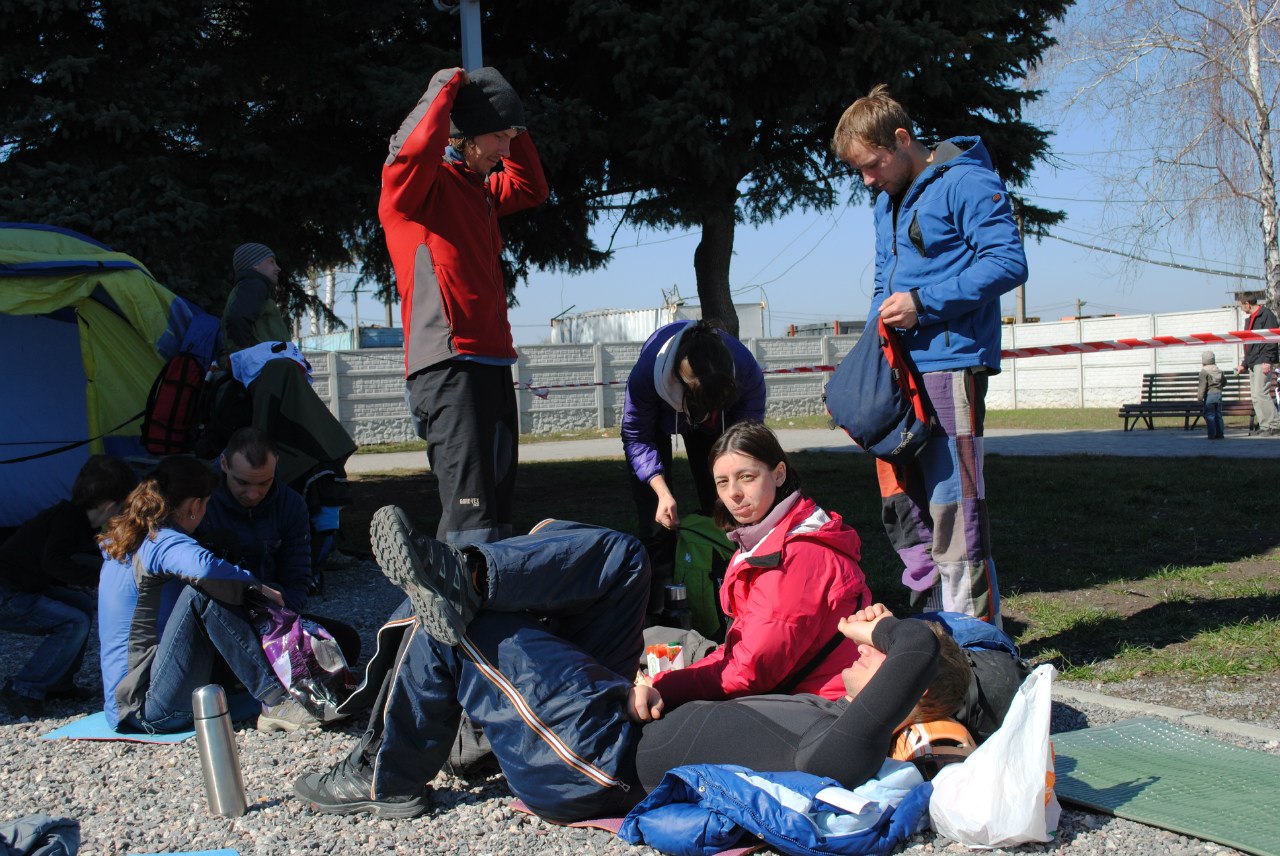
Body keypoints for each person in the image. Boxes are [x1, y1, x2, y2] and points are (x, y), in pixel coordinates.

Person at [291, 504, 965, 823]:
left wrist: (893, 630)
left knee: (461, 632)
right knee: (624, 560)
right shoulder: (829, 709)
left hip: (595, 758)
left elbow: (920, 648)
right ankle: (471, 570)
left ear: (908, 690)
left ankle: (386, 774)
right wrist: (663, 692)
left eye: (885, 651)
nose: (873, 634)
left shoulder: (846, 750)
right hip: (618, 708)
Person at [831, 85, 1028, 625]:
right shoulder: (883, 202)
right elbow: (881, 284)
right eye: (861, 171)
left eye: (873, 165)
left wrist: (925, 303)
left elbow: (1009, 263)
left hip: (950, 364)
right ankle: (931, 635)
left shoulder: (969, 180)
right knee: (906, 512)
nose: (869, 179)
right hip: (898, 375)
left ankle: (975, 648)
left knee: (954, 511)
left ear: (901, 139)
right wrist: (864, 370)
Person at [381, 66, 549, 545]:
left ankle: (484, 611)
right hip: (448, 367)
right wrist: (445, 88)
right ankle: (442, 618)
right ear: (464, 134)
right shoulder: (417, 191)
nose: (506, 151)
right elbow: (409, 149)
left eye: (511, 138)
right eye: (499, 137)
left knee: (495, 516)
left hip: (493, 363)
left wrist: (511, 121)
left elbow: (533, 187)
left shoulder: (482, 194)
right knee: (469, 521)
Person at [644, 420, 869, 709]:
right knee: (648, 643)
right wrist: (667, 680)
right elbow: (742, 651)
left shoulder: (794, 557)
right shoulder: (772, 536)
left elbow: (751, 673)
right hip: (780, 684)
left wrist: (662, 687)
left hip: (817, 706)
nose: (733, 493)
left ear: (778, 474)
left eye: (746, 477)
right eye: (722, 482)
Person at [97, 456, 316, 733]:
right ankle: (276, 701)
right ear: (195, 505)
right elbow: (204, 569)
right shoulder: (159, 539)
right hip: (146, 708)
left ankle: (273, 688)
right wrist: (258, 587)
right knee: (201, 595)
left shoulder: (131, 538)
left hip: (131, 699)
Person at [621, 320, 766, 611]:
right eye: (702, 408)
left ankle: (729, 588)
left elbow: (747, 433)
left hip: (718, 418)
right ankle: (658, 609)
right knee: (656, 519)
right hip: (655, 425)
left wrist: (735, 483)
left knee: (725, 505)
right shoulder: (647, 376)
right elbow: (637, 437)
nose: (705, 416)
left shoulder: (746, 370)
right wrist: (662, 492)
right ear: (680, 385)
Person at [197, 427, 361, 665]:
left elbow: (298, 579)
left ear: (276, 468)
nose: (253, 494)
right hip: (217, 621)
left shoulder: (291, 504)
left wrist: (281, 627)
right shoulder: (201, 502)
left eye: (264, 483)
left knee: (346, 644)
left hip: (271, 618)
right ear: (223, 464)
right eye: (242, 483)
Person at [0, 456, 137, 718]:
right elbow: (54, 563)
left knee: (81, 605)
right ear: (111, 506)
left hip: (23, 585)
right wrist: (102, 578)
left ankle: (59, 682)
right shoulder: (69, 521)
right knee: (72, 622)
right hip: (7, 593)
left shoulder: (74, 517)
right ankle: (24, 688)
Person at [222, 243, 290, 355]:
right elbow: (237, 319)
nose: (278, 268)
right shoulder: (254, 285)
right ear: (255, 265)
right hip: (264, 367)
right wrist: (247, 355)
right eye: (271, 262)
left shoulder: (247, 287)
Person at [1235, 292, 1280, 435]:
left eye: (1241, 305)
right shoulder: (1249, 320)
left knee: (1262, 393)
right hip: (1253, 362)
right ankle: (1265, 426)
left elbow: (1272, 339)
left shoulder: (1267, 315)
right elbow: (1249, 344)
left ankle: (1275, 425)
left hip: (1263, 360)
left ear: (1247, 303)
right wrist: (1244, 364)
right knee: (1255, 395)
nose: (1241, 309)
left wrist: (1268, 360)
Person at [1197, 351, 1226, 440]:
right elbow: (1224, 383)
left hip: (1210, 395)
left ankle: (1211, 435)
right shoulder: (1218, 370)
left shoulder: (1204, 371)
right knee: (1218, 414)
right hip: (1218, 394)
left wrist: (1200, 397)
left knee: (1210, 415)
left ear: (1203, 361)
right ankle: (1220, 434)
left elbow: (1202, 385)